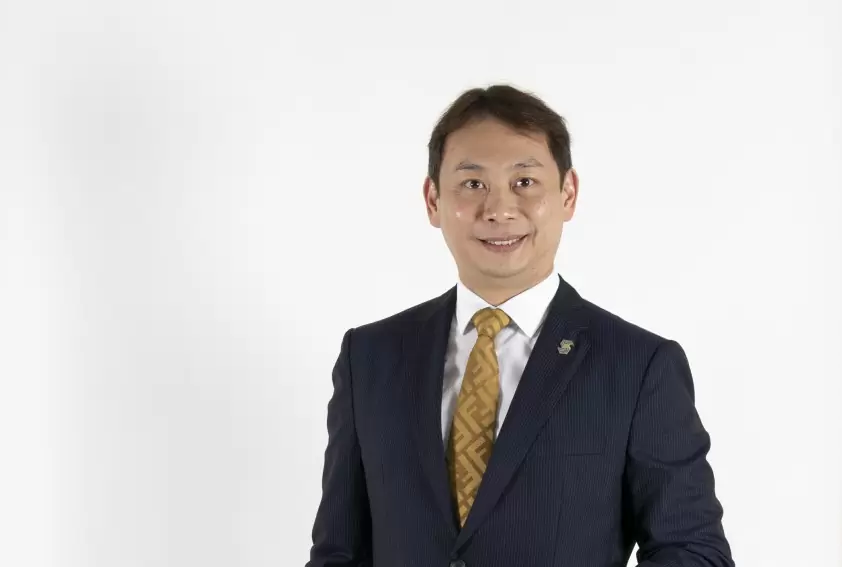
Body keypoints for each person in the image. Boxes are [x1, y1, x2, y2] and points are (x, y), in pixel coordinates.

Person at [305, 84, 734, 567]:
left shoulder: (638, 367)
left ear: (568, 193)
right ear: (432, 200)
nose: (499, 209)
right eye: (473, 184)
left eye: (525, 182)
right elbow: (338, 553)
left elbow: (694, 552)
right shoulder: (370, 358)